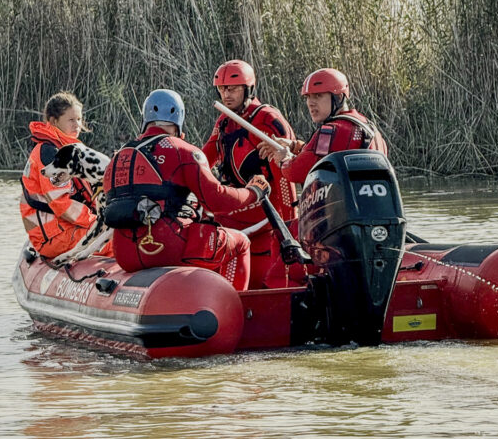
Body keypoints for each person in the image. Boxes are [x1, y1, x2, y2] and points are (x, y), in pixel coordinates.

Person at [103, 89, 270, 291]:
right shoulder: (183, 150)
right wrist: (253, 192)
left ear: (145, 119)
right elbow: (216, 201)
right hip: (167, 246)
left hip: (125, 255)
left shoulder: (118, 157)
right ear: (179, 120)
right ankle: (235, 309)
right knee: (240, 242)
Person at [201, 60, 297, 287]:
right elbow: (205, 159)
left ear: (249, 89)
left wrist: (288, 226)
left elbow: (284, 178)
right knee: (202, 217)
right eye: (222, 89)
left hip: (265, 210)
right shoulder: (225, 120)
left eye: (232, 89)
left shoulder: (266, 120)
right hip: (239, 206)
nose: (226, 95)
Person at [264, 67, 388, 184]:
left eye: (318, 96)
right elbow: (326, 154)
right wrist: (294, 146)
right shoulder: (369, 126)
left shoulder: (330, 131)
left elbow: (297, 172)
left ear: (338, 97)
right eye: (308, 97)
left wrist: (284, 159)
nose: (310, 103)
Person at [20, 91, 101, 259]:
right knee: (117, 242)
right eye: (71, 120)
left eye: (79, 120)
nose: (77, 125)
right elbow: (60, 204)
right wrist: (95, 222)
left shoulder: (65, 150)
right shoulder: (50, 154)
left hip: (62, 229)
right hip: (53, 237)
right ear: (53, 121)